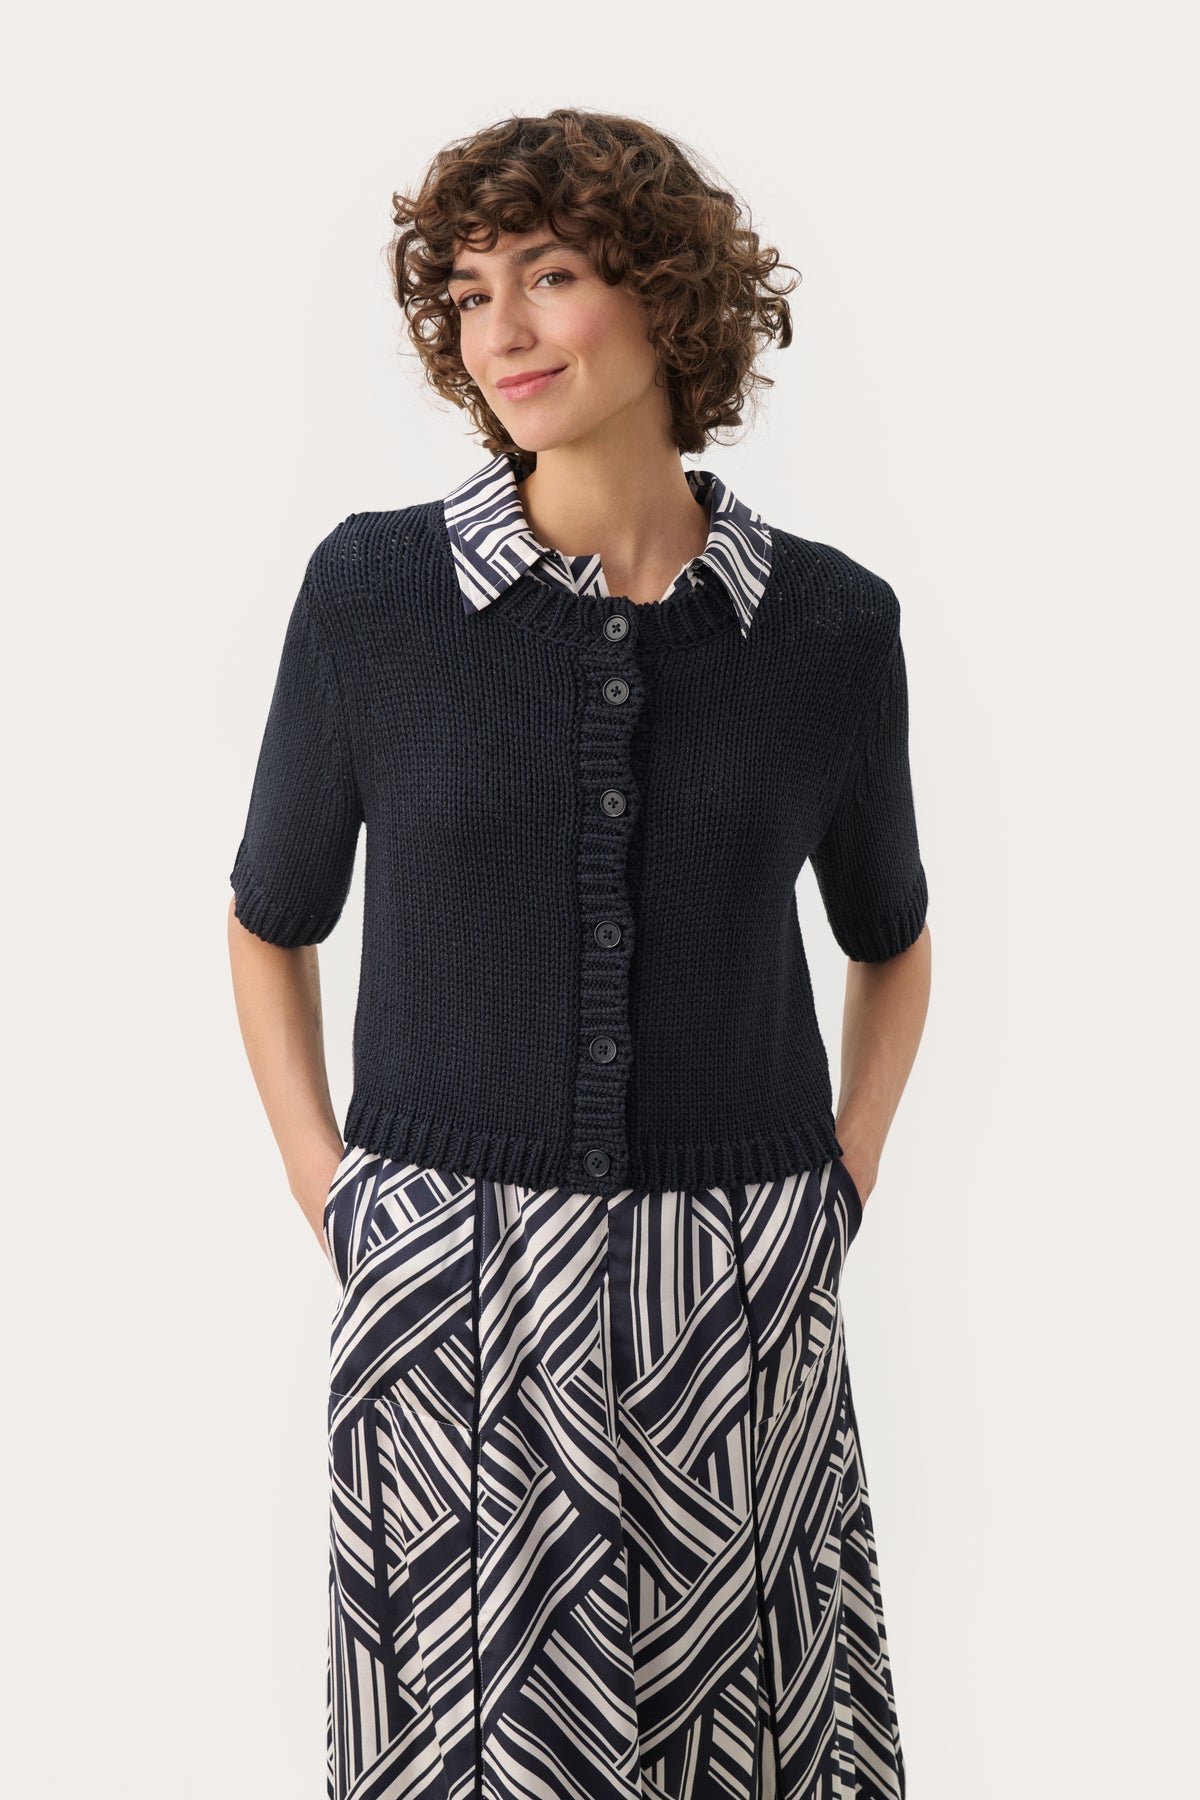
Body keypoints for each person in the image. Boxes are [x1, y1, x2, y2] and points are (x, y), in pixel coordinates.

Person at [227, 107, 931, 1800]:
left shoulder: (830, 627)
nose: (503, 333)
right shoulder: (377, 597)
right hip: (448, 1291)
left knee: (747, 1745)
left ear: (669, 294)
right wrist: (341, 1196)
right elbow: (270, 920)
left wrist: (840, 1179)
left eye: (548, 277)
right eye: (470, 296)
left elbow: (892, 937)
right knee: (465, 1754)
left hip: (740, 1292)